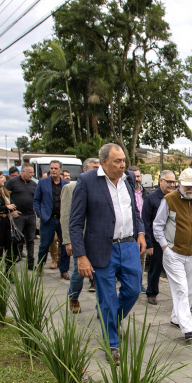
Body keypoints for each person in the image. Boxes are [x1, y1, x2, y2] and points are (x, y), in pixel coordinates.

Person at [69, 143, 146, 362]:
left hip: (129, 246)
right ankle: (111, 343)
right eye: (117, 161)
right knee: (108, 299)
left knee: (133, 290)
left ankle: (111, 320)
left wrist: (140, 232)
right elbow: (75, 223)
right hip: (102, 249)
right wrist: (81, 256)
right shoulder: (87, 181)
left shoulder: (128, 179)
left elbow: (134, 210)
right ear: (103, 162)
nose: (123, 165)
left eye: (124, 161)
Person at [152, 168, 192, 342]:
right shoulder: (169, 200)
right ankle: (188, 328)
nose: (191, 189)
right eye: (187, 186)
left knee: (189, 291)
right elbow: (157, 225)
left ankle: (176, 318)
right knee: (181, 289)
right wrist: (165, 248)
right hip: (174, 253)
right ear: (180, 184)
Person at [62, 157, 100, 313]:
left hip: (98, 238)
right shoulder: (70, 188)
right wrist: (68, 241)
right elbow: (66, 216)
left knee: (101, 274)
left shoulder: (103, 186)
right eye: (95, 167)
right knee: (79, 273)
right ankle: (73, 296)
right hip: (80, 238)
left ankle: (101, 306)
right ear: (85, 170)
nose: (98, 170)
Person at [142, 170, 178, 305]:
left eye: (173, 182)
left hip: (173, 240)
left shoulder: (176, 198)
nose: (171, 185)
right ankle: (151, 293)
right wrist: (149, 244)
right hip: (156, 241)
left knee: (176, 270)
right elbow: (146, 223)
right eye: (169, 182)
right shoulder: (150, 199)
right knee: (155, 268)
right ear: (160, 181)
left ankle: (179, 297)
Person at [33, 160, 71, 279]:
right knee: (44, 245)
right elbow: (36, 200)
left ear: (60, 170)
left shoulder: (66, 184)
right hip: (48, 219)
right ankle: (40, 266)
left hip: (62, 219)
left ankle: (64, 270)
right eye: (51, 168)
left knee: (65, 245)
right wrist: (40, 214)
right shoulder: (42, 182)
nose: (53, 170)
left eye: (55, 168)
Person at [5, 163, 39, 270]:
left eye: (32, 173)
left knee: (31, 240)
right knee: (16, 239)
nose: (31, 175)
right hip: (18, 216)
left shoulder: (34, 184)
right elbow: (5, 196)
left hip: (30, 215)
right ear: (23, 171)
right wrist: (11, 210)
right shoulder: (12, 182)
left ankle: (30, 264)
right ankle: (11, 262)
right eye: (30, 172)